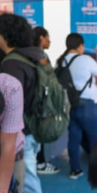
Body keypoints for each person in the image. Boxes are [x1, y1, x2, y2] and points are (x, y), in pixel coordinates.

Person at [0, 13, 47, 193]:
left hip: (20, 131)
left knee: (28, 178)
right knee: (29, 176)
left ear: (6, 35)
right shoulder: (34, 56)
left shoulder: (12, 64)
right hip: (35, 124)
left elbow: (9, 102)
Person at [56, 33, 97, 179]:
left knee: (74, 139)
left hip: (70, 104)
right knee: (95, 140)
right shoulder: (86, 59)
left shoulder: (61, 61)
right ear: (80, 46)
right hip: (87, 104)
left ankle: (74, 170)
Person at [33, 26, 59, 175]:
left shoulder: (28, 53)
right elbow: (48, 78)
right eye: (48, 38)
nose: (50, 41)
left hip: (33, 100)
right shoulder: (41, 55)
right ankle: (41, 162)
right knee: (40, 131)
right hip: (40, 101)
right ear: (41, 38)